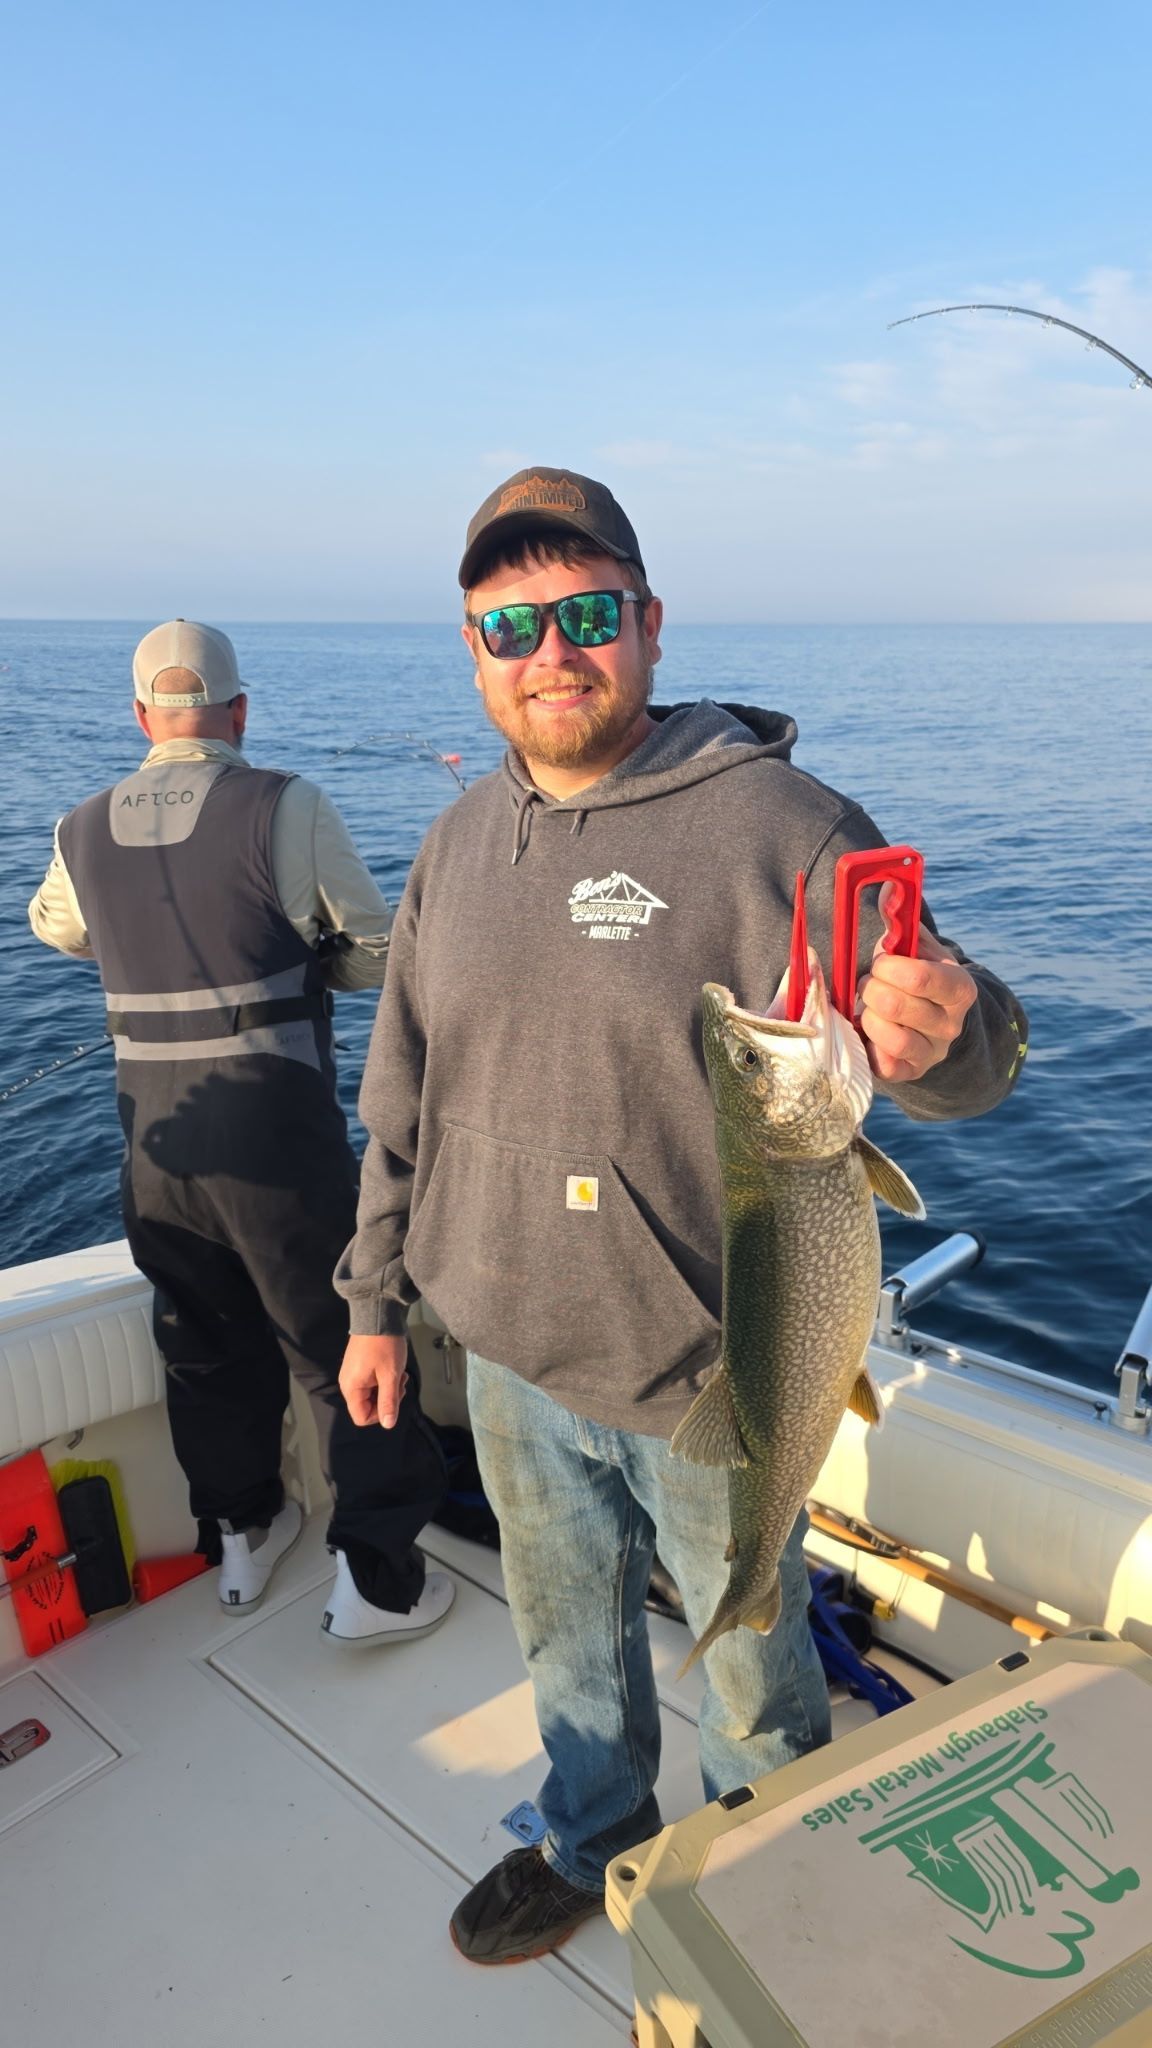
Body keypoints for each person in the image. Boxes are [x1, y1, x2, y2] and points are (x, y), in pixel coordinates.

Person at [335, 469, 1029, 1962]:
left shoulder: (781, 820)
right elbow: (401, 1090)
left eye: (585, 613)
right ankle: (591, 1840)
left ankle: (762, 1864)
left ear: (648, 626)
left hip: (713, 1366)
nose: (549, 652)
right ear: (472, 655)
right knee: (564, 1640)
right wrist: (375, 1302)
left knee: (752, 1662)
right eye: (507, 627)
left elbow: (970, 1051)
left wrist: (946, 1031)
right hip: (508, 1357)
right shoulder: (458, 844)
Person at [29, 619, 454, 1646]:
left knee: (202, 1345)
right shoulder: (285, 801)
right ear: (239, 709)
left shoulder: (79, 824)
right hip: (276, 1134)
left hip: (157, 1148)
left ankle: (244, 1538)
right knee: (337, 1341)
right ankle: (378, 1579)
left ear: (140, 717)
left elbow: (60, 926)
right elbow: (373, 951)